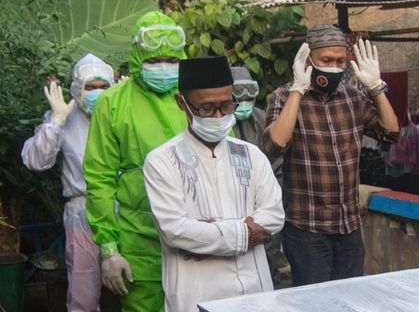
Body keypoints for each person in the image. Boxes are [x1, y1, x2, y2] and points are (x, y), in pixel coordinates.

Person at [143, 56, 284, 312]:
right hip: (197, 294)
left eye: (226, 106)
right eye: (207, 108)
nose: (219, 116)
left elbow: (274, 216)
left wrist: (208, 233)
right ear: (181, 103)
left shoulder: (251, 154)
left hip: (255, 292)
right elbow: (175, 230)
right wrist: (245, 233)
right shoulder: (162, 161)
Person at [264, 24, 400, 286]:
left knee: (349, 300)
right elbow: (274, 145)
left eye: (340, 61)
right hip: (308, 230)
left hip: (349, 226)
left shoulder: (353, 98)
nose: (334, 67)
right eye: (326, 60)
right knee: (313, 304)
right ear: (307, 60)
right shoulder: (284, 96)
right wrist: (298, 90)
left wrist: (376, 88)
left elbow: (392, 133)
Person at [83, 11, 189, 312]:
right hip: (139, 241)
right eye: (153, 61)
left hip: (196, 236)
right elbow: (99, 177)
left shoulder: (195, 96)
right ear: (135, 58)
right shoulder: (112, 103)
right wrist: (109, 249)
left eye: (171, 60)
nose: (163, 68)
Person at [21, 54, 116, 312]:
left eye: (103, 87)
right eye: (91, 87)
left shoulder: (120, 114)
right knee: (83, 292)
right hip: (82, 210)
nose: (97, 93)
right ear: (77, 88)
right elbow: (35, 160)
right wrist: (56, 122)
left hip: (123, 207)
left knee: (136, 283)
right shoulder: (66, 117)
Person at [230, 66, 286, 283]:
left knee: (269, 256)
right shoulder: (220, 124)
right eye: (238, 92)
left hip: (264, 201)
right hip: (232, 205)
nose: (244, 99)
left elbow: (276, 163)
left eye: (249, 91)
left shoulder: (263, 118)